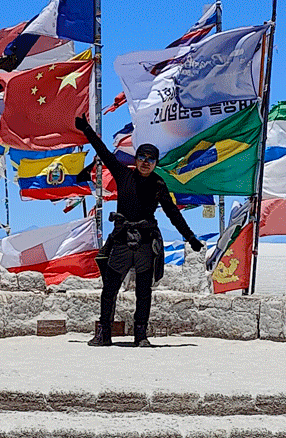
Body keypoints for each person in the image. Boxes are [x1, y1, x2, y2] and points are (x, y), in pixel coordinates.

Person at [72, 115, 204, 347]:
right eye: (142, 157)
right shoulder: (123, 174)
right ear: (136, 158)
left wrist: (190, 237)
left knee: (144, 292)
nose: (145, 161)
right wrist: (86, 129)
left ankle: (141, 336)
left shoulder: (158, 184)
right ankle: (104, 334)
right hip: (121, 240)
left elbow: (173, 213)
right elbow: (103, 151)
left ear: (155, 163)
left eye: (151, 159)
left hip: (145, 242)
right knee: (110, 289)